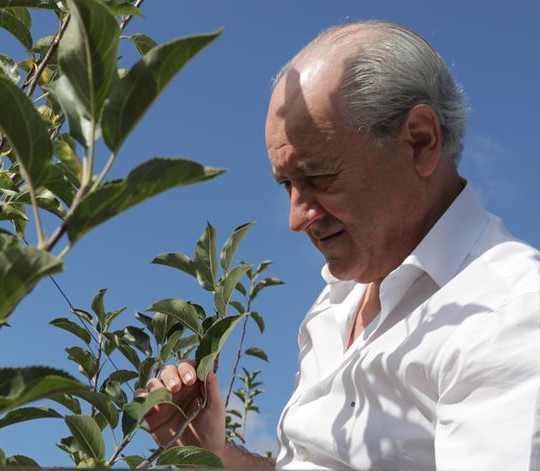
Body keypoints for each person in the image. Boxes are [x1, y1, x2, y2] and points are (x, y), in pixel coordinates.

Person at [139, 20, 540, 470]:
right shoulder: (337, 300)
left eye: (320, 176)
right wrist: (216, 455)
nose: (295, 218)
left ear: (420, 141)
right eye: (286, 184)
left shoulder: (510, 313)